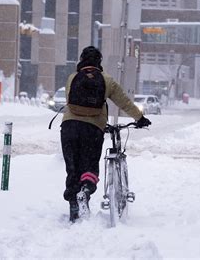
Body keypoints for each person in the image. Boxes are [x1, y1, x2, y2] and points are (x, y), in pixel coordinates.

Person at [60, 46, 151, 222]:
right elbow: (124, 102)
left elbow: (70, 101)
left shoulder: (72, 78)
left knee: (72, 168)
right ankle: (85, 189)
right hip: (92, 129)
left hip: (69, 127)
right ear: (99, 62)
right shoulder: (107, 80)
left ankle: (73, 205)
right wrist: (140, 118)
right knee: (89, 165)